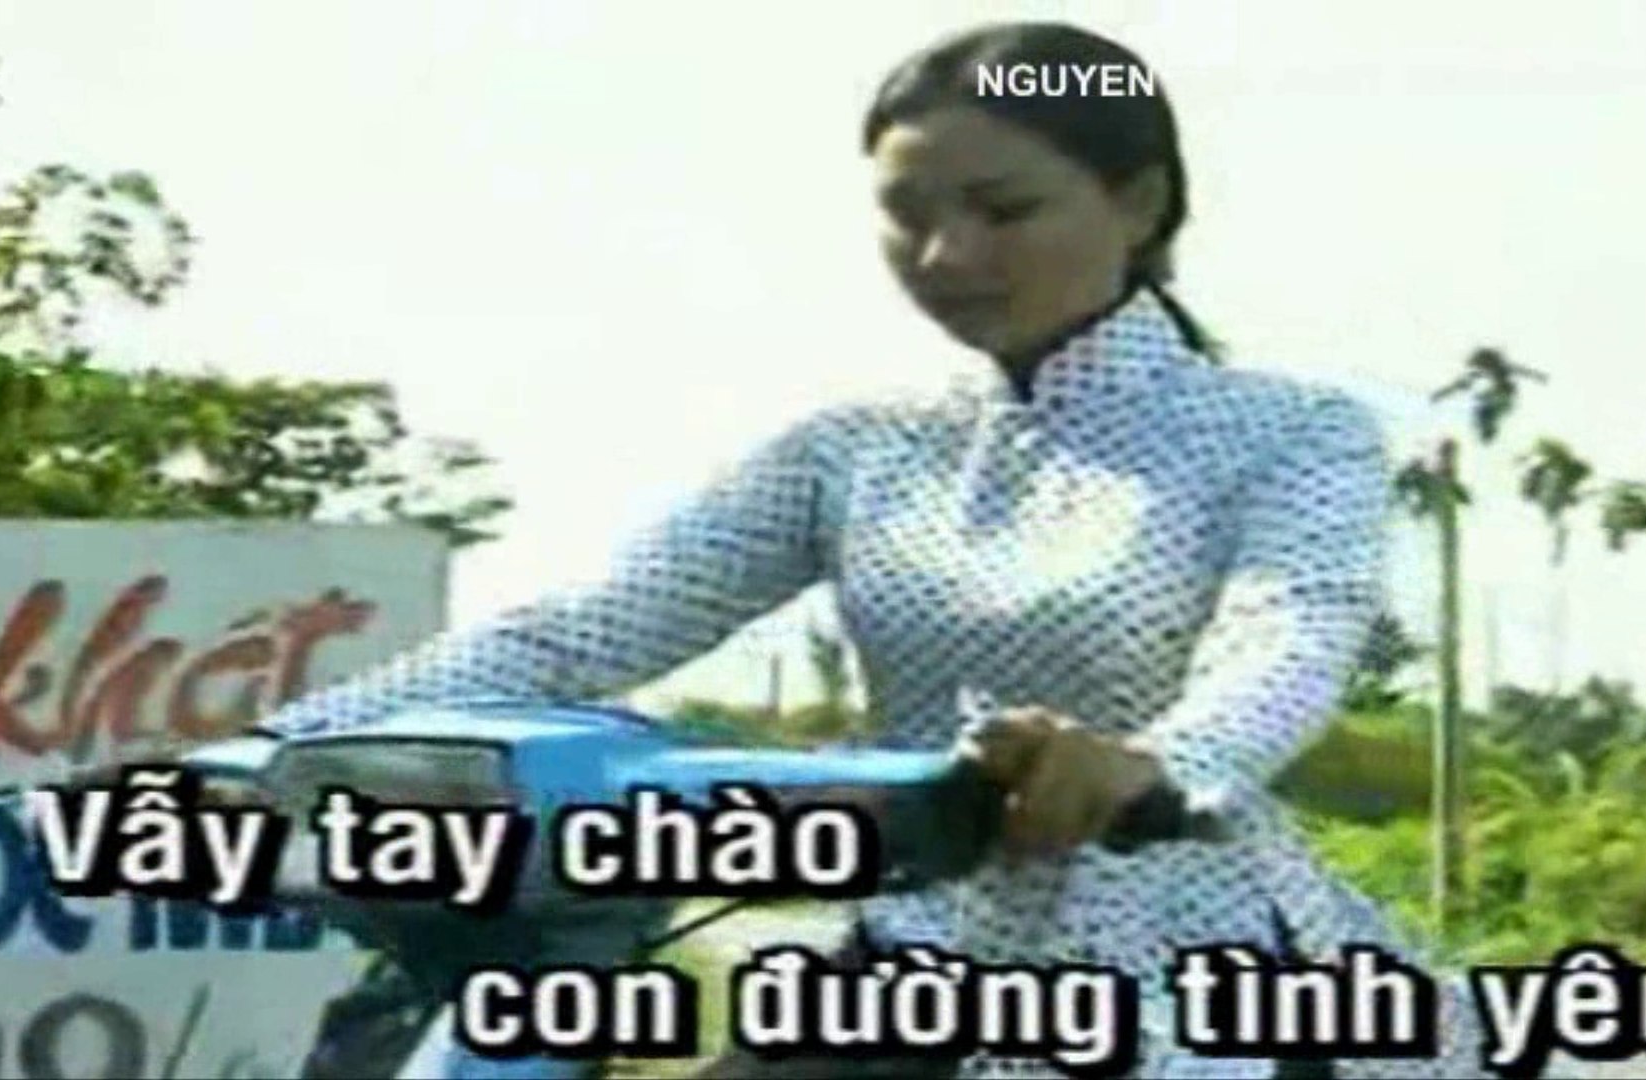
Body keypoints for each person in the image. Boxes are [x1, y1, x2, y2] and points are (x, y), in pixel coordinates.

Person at [263, 21, 1550, 1080]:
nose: (947, 256)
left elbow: (1290, 634)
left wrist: (1157, 764)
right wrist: (270, 751)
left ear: (1139, 201)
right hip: (910, 963)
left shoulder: (1292, 430)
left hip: (1187, 967)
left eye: (1002, 208)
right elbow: (581, 632)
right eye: (907, 214)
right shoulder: (857, 450)